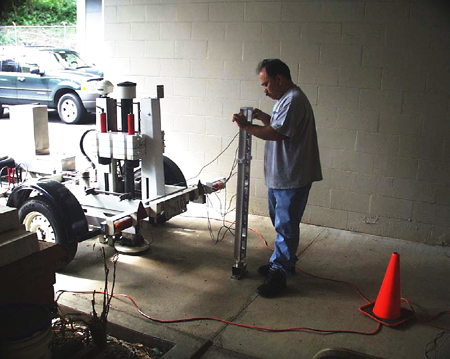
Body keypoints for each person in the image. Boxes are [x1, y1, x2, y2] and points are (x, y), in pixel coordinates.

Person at [232, 59, 322, 297]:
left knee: (285, 226)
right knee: (281, 222)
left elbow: (277, 133)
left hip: (292, 177)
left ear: (279, 79)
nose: (265, 89)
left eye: (266, 84)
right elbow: (280, 126)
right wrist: (264, 117)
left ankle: (280, 272)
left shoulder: (293, 100)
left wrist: (246, 127)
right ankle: (284, 262)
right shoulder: (286, 99)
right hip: (281, 176)